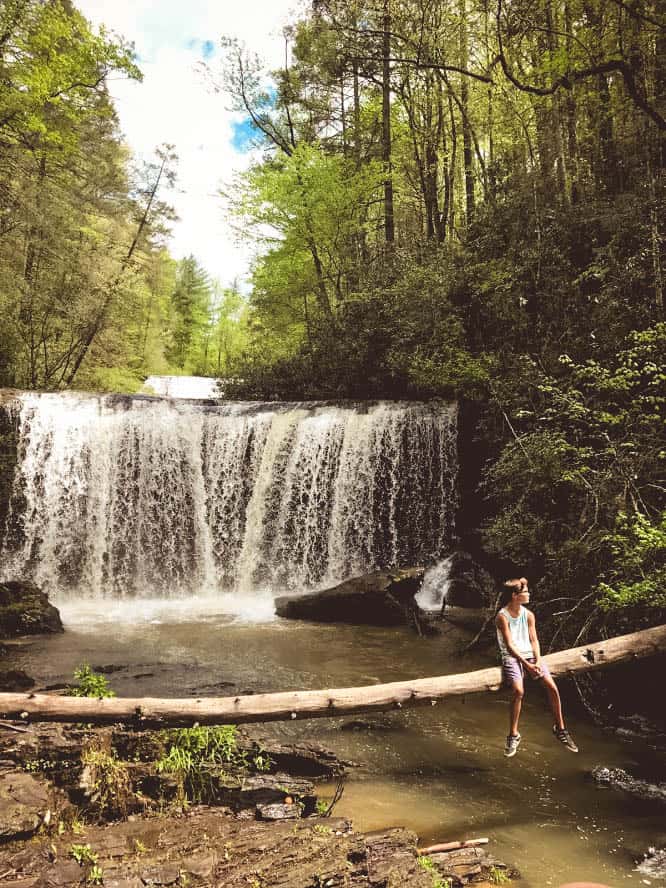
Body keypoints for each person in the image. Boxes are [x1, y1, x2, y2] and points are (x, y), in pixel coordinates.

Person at [496, 577, 578, 757]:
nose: (529, 594)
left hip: (532, 656)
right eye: (525, 592)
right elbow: (509, 645)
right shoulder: (502, 616)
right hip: (512, 657)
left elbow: (534, 640)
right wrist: (527, 665)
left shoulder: (529, 615)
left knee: (552, 687)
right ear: (514, 595)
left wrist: (538, 661)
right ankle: (513, 735)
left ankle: (560, 729)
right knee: (518, 691)